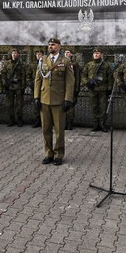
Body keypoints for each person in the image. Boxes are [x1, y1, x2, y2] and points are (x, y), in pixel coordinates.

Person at [33, 37, 75, 165]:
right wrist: (36, 97)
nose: (51, 46)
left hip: (58, 100)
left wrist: (68, 99)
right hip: (44, 99)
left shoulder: (66, 61)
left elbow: (70, 82)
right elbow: (37, 80)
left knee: (59, 130)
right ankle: (48, 153)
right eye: (49, 44)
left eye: (53, 44)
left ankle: (58, 154)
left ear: (59, 47)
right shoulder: (43, 60)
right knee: (45, 129)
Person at [82, 48, 113, 132]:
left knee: (103, 107)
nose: (96, 54)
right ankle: (96, 123)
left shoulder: (106, 65)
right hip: (92, 90)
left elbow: (110, 77)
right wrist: (87, 83)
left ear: (101, 54)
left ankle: (102, 124)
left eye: (98, 53)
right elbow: (83, 76)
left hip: (103, 90)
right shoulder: (88, 65)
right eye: (95, 53)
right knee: (94, 107)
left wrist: (109, 89)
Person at [1, 48, 27, 127]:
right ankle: (11, 120)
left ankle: (19, 120)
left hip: (18, 85)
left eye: (15, 53)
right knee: (10, 104)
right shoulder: (7, 63)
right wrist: (5, 84)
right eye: (13, 53)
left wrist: (23, 86)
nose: (14, 55)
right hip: (10, 86)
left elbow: (24, 76)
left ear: (18, 54)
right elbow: (3, 74)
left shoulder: (21, 64)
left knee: (19, 104)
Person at [63, 49, 81, 130]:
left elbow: (77, 77)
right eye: (65, 52)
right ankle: (64, 122)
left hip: (71, 88)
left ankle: (70, 123)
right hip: (62, 88)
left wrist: (76, 88)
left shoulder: (74, 64)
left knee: (70, 105)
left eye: (68, 52)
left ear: (71, 54)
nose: (67, 54)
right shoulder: (61, 62)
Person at [29, 49, 44, 128]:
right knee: (36, 104)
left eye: (40, 54)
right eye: (37, 54)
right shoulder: (32, 65)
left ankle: (43, 121)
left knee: (44, 105)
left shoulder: (45, 63)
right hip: (35, 86)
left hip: (44, 87)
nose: (38, 56)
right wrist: (30, 83)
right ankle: (36, 120)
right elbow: (28, 74)